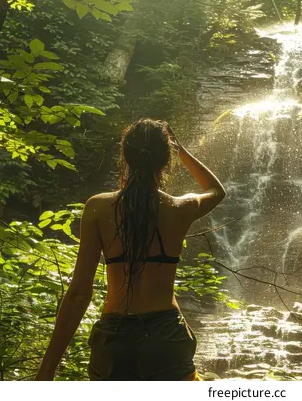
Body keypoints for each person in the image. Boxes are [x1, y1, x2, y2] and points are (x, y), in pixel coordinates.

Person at [35, 119, 226, 381]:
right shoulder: (181, 208)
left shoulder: (98, 209)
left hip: (115, 340)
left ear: (125, 156)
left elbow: (79, 293)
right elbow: (217, 190)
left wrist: (47, 369)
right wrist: (180, 149)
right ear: (165, 160)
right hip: (166, 339)